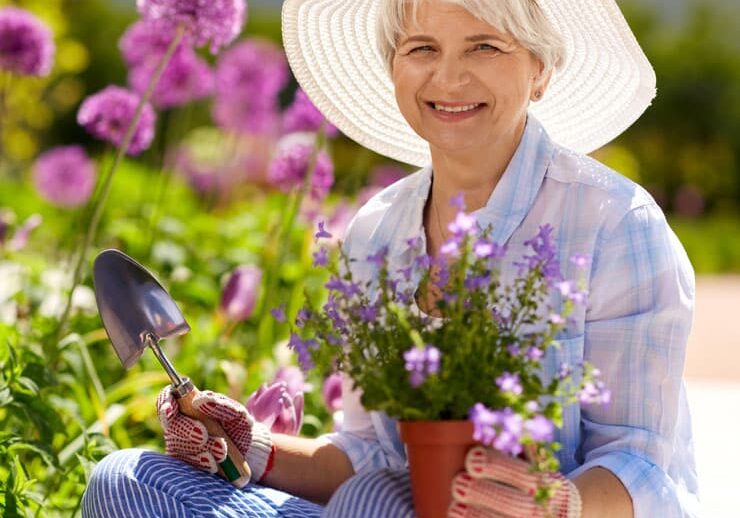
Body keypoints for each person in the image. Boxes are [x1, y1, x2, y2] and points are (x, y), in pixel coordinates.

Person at [82, 1, 700, 517]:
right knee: (126, 479)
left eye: (485, 46)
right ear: (393, 68)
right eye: (422, 49)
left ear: (540, 69)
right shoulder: (378, 230)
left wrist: (554, 503)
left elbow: (643, 466)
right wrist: (254, 445)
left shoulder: (614, 222)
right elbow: (369, 456)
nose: (449, 78)